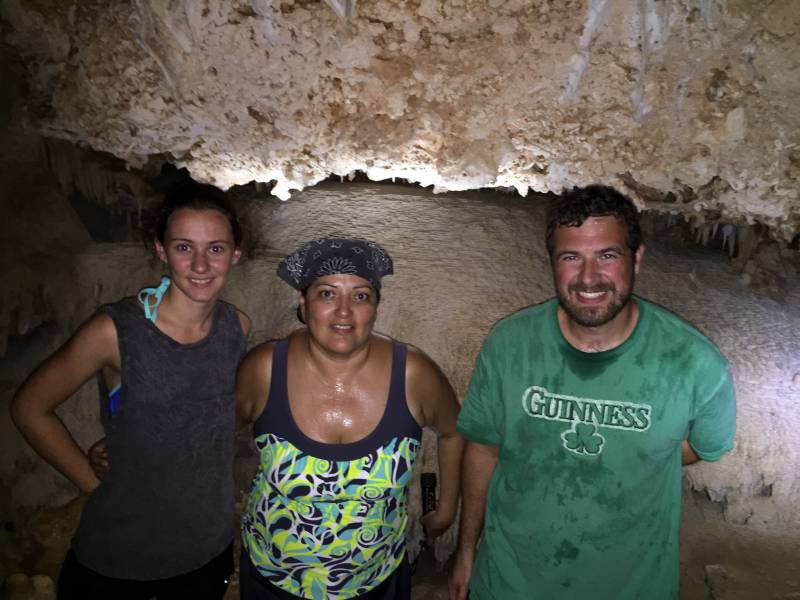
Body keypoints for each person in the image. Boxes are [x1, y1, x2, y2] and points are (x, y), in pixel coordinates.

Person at [449, 185, 736, 600]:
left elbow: (705, 446)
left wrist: (637, 450)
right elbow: (483, 448)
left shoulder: (696, 363)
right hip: (511, 582)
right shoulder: (510, 344)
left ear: (636, 258)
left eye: (607, 255)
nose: (588, 278)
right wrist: (465, 550)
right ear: (552, 261)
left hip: (632, 586)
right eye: (571, 257)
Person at [10, 181, 250, 599]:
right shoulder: (115, 331)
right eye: (182, 247)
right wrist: (93, 484)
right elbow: (30, 407)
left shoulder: (237, 328)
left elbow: (208, 415)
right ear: (161, 250)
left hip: (206, 551)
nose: (200, 264)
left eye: (215, 248)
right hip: (121, 559)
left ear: (235, 254)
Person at [236, 238, 465, 600]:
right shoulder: (264, 369)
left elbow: (454, 431)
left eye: (360, 296)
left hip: (377, 581)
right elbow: (213, 434)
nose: (344, 312)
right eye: (327, 294)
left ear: (375, 307)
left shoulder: (412, 374)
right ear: (303, 302)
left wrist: (446, 510)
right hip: (273, 579)